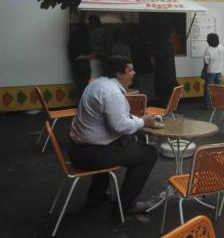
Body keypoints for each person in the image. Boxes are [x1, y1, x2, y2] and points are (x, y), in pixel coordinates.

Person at [68, 56, 158, 219]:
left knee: (130, 139)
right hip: (91, 154)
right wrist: (144, 121)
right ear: (119, 74)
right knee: (148, 154)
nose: (134, 73)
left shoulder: (96, 83)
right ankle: (125, 207)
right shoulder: (112, 93)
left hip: (78, 149)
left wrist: (139, 123)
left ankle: (96, 197)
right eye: (130, 70)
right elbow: (120, 126)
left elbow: (119, 121)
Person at [153, 27, 178, 108]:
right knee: (168, 92)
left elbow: (160, 57)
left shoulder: (160, 45)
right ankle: (167, 107)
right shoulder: (170, 45)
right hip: (170, 72)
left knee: (162, 93)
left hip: (162, 72)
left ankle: (163, 109)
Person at [202, 33, 224, 109]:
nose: (207, 41)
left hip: (210, 72)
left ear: (210, 40)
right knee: (219, 89)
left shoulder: (208, 49)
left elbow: (206, 62)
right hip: (219, 71)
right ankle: (219, 104)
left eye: (207, 39)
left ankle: (208, 105)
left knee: (208, 89)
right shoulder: (221, 47)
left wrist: (204, 71)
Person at [68, 23, 92, 97]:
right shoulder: (86, 36)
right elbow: (90, 49)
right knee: (85, 85)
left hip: (77, 62)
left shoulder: (73, 36)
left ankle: (80, 102)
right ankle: (84, 102)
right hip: (85, 61)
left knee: (79, 85)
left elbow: (70, 49)